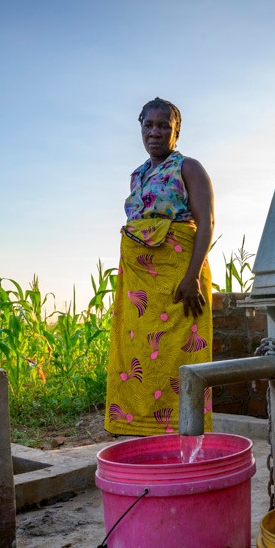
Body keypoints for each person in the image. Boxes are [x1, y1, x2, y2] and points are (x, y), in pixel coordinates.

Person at [105, 97, 215, 436]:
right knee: (139, 354)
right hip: (141, 287)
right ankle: (141, 431)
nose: (155, 132)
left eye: (164, 125)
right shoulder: (137, 176)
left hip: (180, 279)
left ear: (176, 132)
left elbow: (206, 222)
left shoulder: (188, 168)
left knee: (177, 356)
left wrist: (192, 276)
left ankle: (184, 434)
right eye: (148, 125)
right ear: (140, 128)